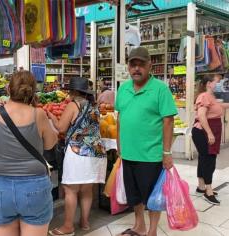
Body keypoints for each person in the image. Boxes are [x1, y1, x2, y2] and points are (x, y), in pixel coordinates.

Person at [0, 70, 58, 236]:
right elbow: (50, 144)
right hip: (34, 186)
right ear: (33, 91)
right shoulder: (38, 114)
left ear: (8, 89)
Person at [115, 47, 177, 236]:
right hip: (128, 153)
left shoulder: (160, 89)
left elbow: (168, 121)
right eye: (133, 64)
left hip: (151, 155)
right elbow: (120, 117)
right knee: (134, 195)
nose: (136, 69)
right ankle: (139, 225)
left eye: (141, 64)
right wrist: (119, 145)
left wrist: (166, 153)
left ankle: (152, 231)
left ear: (150, 65)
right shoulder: (124, 88)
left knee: (152, 197)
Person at [48, 77, 107, 236]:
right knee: (87, 189)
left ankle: (68, 227)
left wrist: (50, 115)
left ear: (73, 92)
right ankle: (85, 222)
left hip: (78, 152)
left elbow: (61, 128)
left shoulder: (73, 105)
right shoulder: (94, 106)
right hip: (97, 152)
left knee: (70, 190)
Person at [192, 75, 229, 205]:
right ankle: (208, 191)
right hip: (203, 132)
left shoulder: (210, 96)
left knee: (204, 158)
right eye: (217, 82)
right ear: (209, 83)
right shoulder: (204, 96)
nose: (219, 84)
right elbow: (202, 116)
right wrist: (209, 133)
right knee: (209, 160)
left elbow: (219, 106)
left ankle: (201, 186)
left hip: (207, 131)